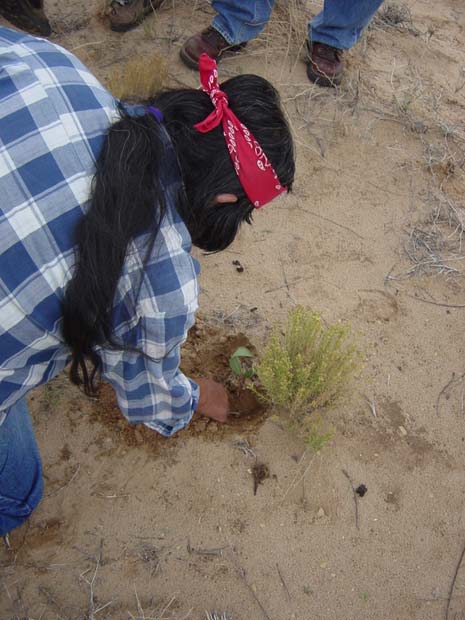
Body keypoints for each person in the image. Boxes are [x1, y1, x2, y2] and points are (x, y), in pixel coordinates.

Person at [0, 27, 295, 538]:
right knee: (19, 491)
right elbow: (146, 399)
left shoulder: (58, 67)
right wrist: (198, 395)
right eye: (243, 216)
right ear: (225, 202)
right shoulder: (161, 285)